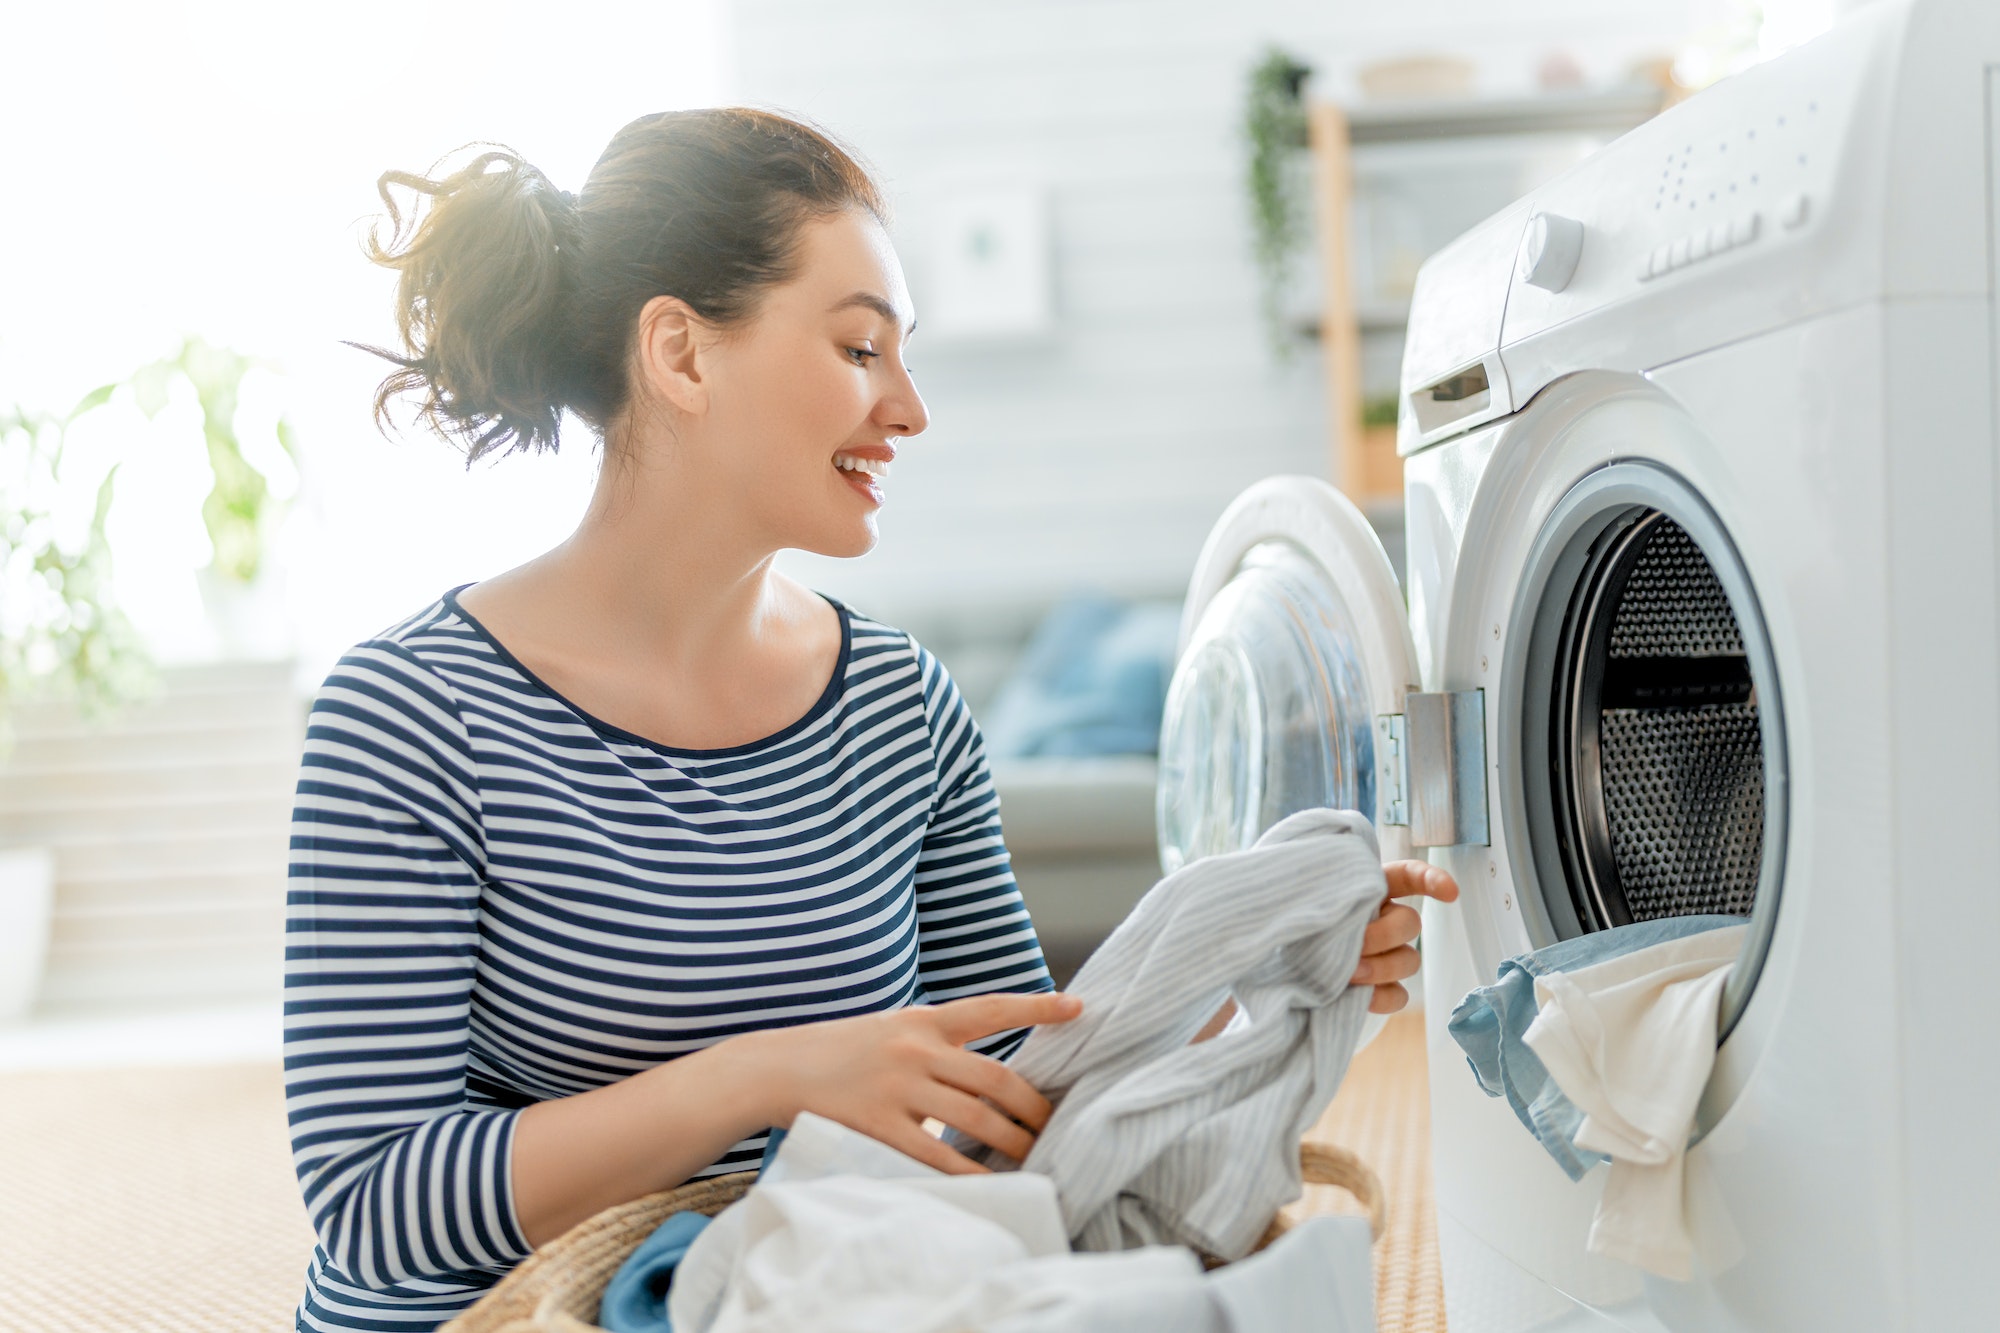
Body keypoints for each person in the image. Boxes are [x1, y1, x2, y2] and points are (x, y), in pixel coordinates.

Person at [282, 107, 1458, 1332]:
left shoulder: (898, 702)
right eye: (858, 349)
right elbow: (370, 1204)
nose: (908, 409)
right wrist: (768, 1075)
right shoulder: (409, 716)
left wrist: (1242, 980)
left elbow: (1006, 1104)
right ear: (680, 355)